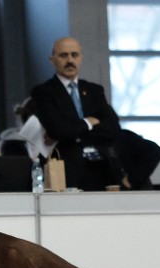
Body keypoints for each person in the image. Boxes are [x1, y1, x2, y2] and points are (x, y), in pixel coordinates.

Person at [30, 37, 121, 191]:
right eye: (63, 55)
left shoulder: (94, 91)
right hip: (66, 169)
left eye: (74, 55)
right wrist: (88, 123)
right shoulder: (43, 92)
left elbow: (112, 128)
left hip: (100, 167)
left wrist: (73, 132)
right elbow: (57, 129)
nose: (70, 60)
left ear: (81, 58)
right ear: (52, 60)